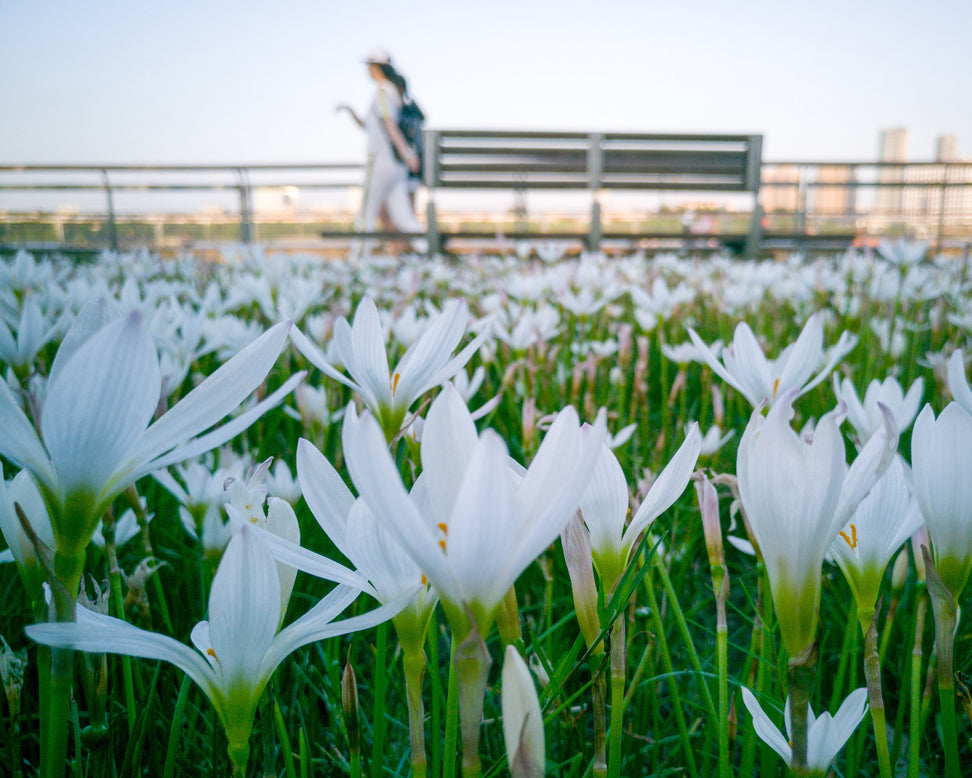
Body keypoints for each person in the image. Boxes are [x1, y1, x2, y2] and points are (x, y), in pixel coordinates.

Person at [336, 48, 426, 257]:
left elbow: (389, 124)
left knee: (366, 214)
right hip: (397, 167)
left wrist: (407, 154)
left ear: (376, 68)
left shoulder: (382, 92)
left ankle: (356, 261)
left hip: (381, 162)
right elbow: (370, 124)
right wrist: (349, 110)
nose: (367, 70)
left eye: (369, 66)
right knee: (404, 218)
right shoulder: (395, 92)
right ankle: (429, 253)